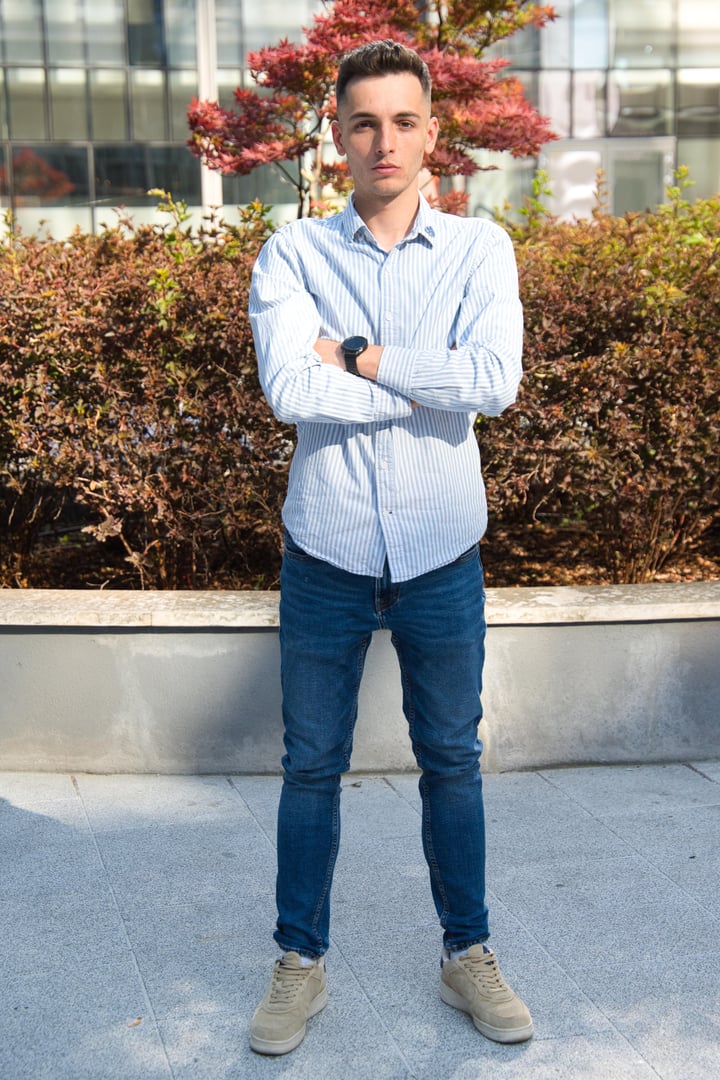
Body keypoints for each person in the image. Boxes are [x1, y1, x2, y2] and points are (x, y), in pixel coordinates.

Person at [248, 38, 532, 1056]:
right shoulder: (292, 258)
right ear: (336, 133)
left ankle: (469, 956)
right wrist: (427, 379)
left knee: (453, 760)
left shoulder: (480, 250)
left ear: (432, 133)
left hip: (440, 557)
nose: (385, 140)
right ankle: (298, 964)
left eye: (404, 120)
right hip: (324, 558)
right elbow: (292, 394)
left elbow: (493, 382)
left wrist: (361, 357)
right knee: (310, 765)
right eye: (363, 120)